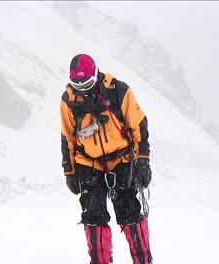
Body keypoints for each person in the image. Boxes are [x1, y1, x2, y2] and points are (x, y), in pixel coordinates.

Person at [60, 54, 153, 264]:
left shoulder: (119, 91)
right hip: (88, 163)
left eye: (87, 83)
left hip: (121, 160)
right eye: (77, 84)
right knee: (93, 217)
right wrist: (69, 171)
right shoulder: (68, 100)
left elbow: (139, 125)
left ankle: (143, 261)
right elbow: (68, 137)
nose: (82, 88)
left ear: (96, 75)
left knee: (129, 213)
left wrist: (143, 160)